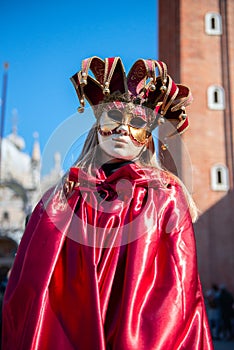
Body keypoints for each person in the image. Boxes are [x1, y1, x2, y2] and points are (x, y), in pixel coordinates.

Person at [2, 57, 213, 349]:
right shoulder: (63, 197)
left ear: (148, 138)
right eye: (113, 118)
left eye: (137, 122)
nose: (123, 130)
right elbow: (33, 282)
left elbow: (177, 290)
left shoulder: (165, 195)